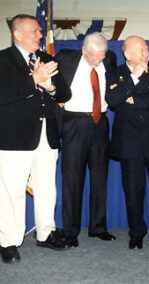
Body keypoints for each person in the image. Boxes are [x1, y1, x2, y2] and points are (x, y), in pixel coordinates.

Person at [0, 14, 71, 263]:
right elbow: (4, 94)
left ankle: (45, 233)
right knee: (12, 191)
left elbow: (65, 92)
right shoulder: (3, 60)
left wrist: (50, 85)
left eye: (40, 31)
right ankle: (8, 241)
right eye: (35, 31)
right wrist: (34, 79)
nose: (40, 35)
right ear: (17, 34)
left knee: (46, 188)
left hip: (47, 135)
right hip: (14, 137)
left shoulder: (47, 59)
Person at [105, 36, 149, 250]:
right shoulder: (115, 73)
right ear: (127, 54)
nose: (146, 54)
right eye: (141, 50)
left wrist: (133, 99)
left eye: (147, 49)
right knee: (133, 192)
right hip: (129, 142)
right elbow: (114, 100)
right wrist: (133, 79)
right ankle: (136, 233)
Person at [55, 32, 117, 248]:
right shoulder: (64, 58)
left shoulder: (109, 60)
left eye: (102, 56)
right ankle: (70, 232)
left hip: (100, 123)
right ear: (83, 51)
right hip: (74, 123)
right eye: (94, 57)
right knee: (72, 180)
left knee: (100, 178)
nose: (99, 61)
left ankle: (98, 227)